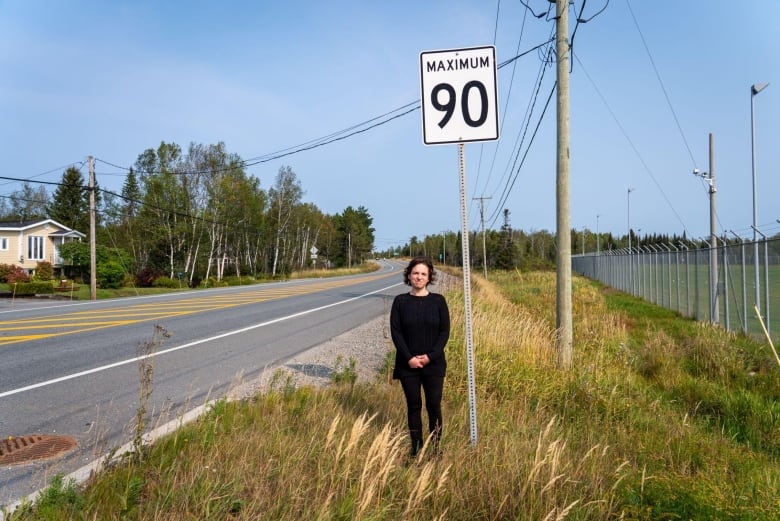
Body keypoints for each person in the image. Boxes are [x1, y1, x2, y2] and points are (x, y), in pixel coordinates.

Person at [390, 256, 450, 458]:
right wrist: (409, 358)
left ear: (429, 277)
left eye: (423, 273)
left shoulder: (438, 301)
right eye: (415, 273)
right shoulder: (400, 301)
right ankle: (415, 449)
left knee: (434, 406)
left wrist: (430, 357)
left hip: (434, 364)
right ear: (408, 275)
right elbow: (396, 333)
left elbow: (444, 332)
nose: (419, 277)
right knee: (413, 406)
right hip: (408, 365)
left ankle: (435, 449)